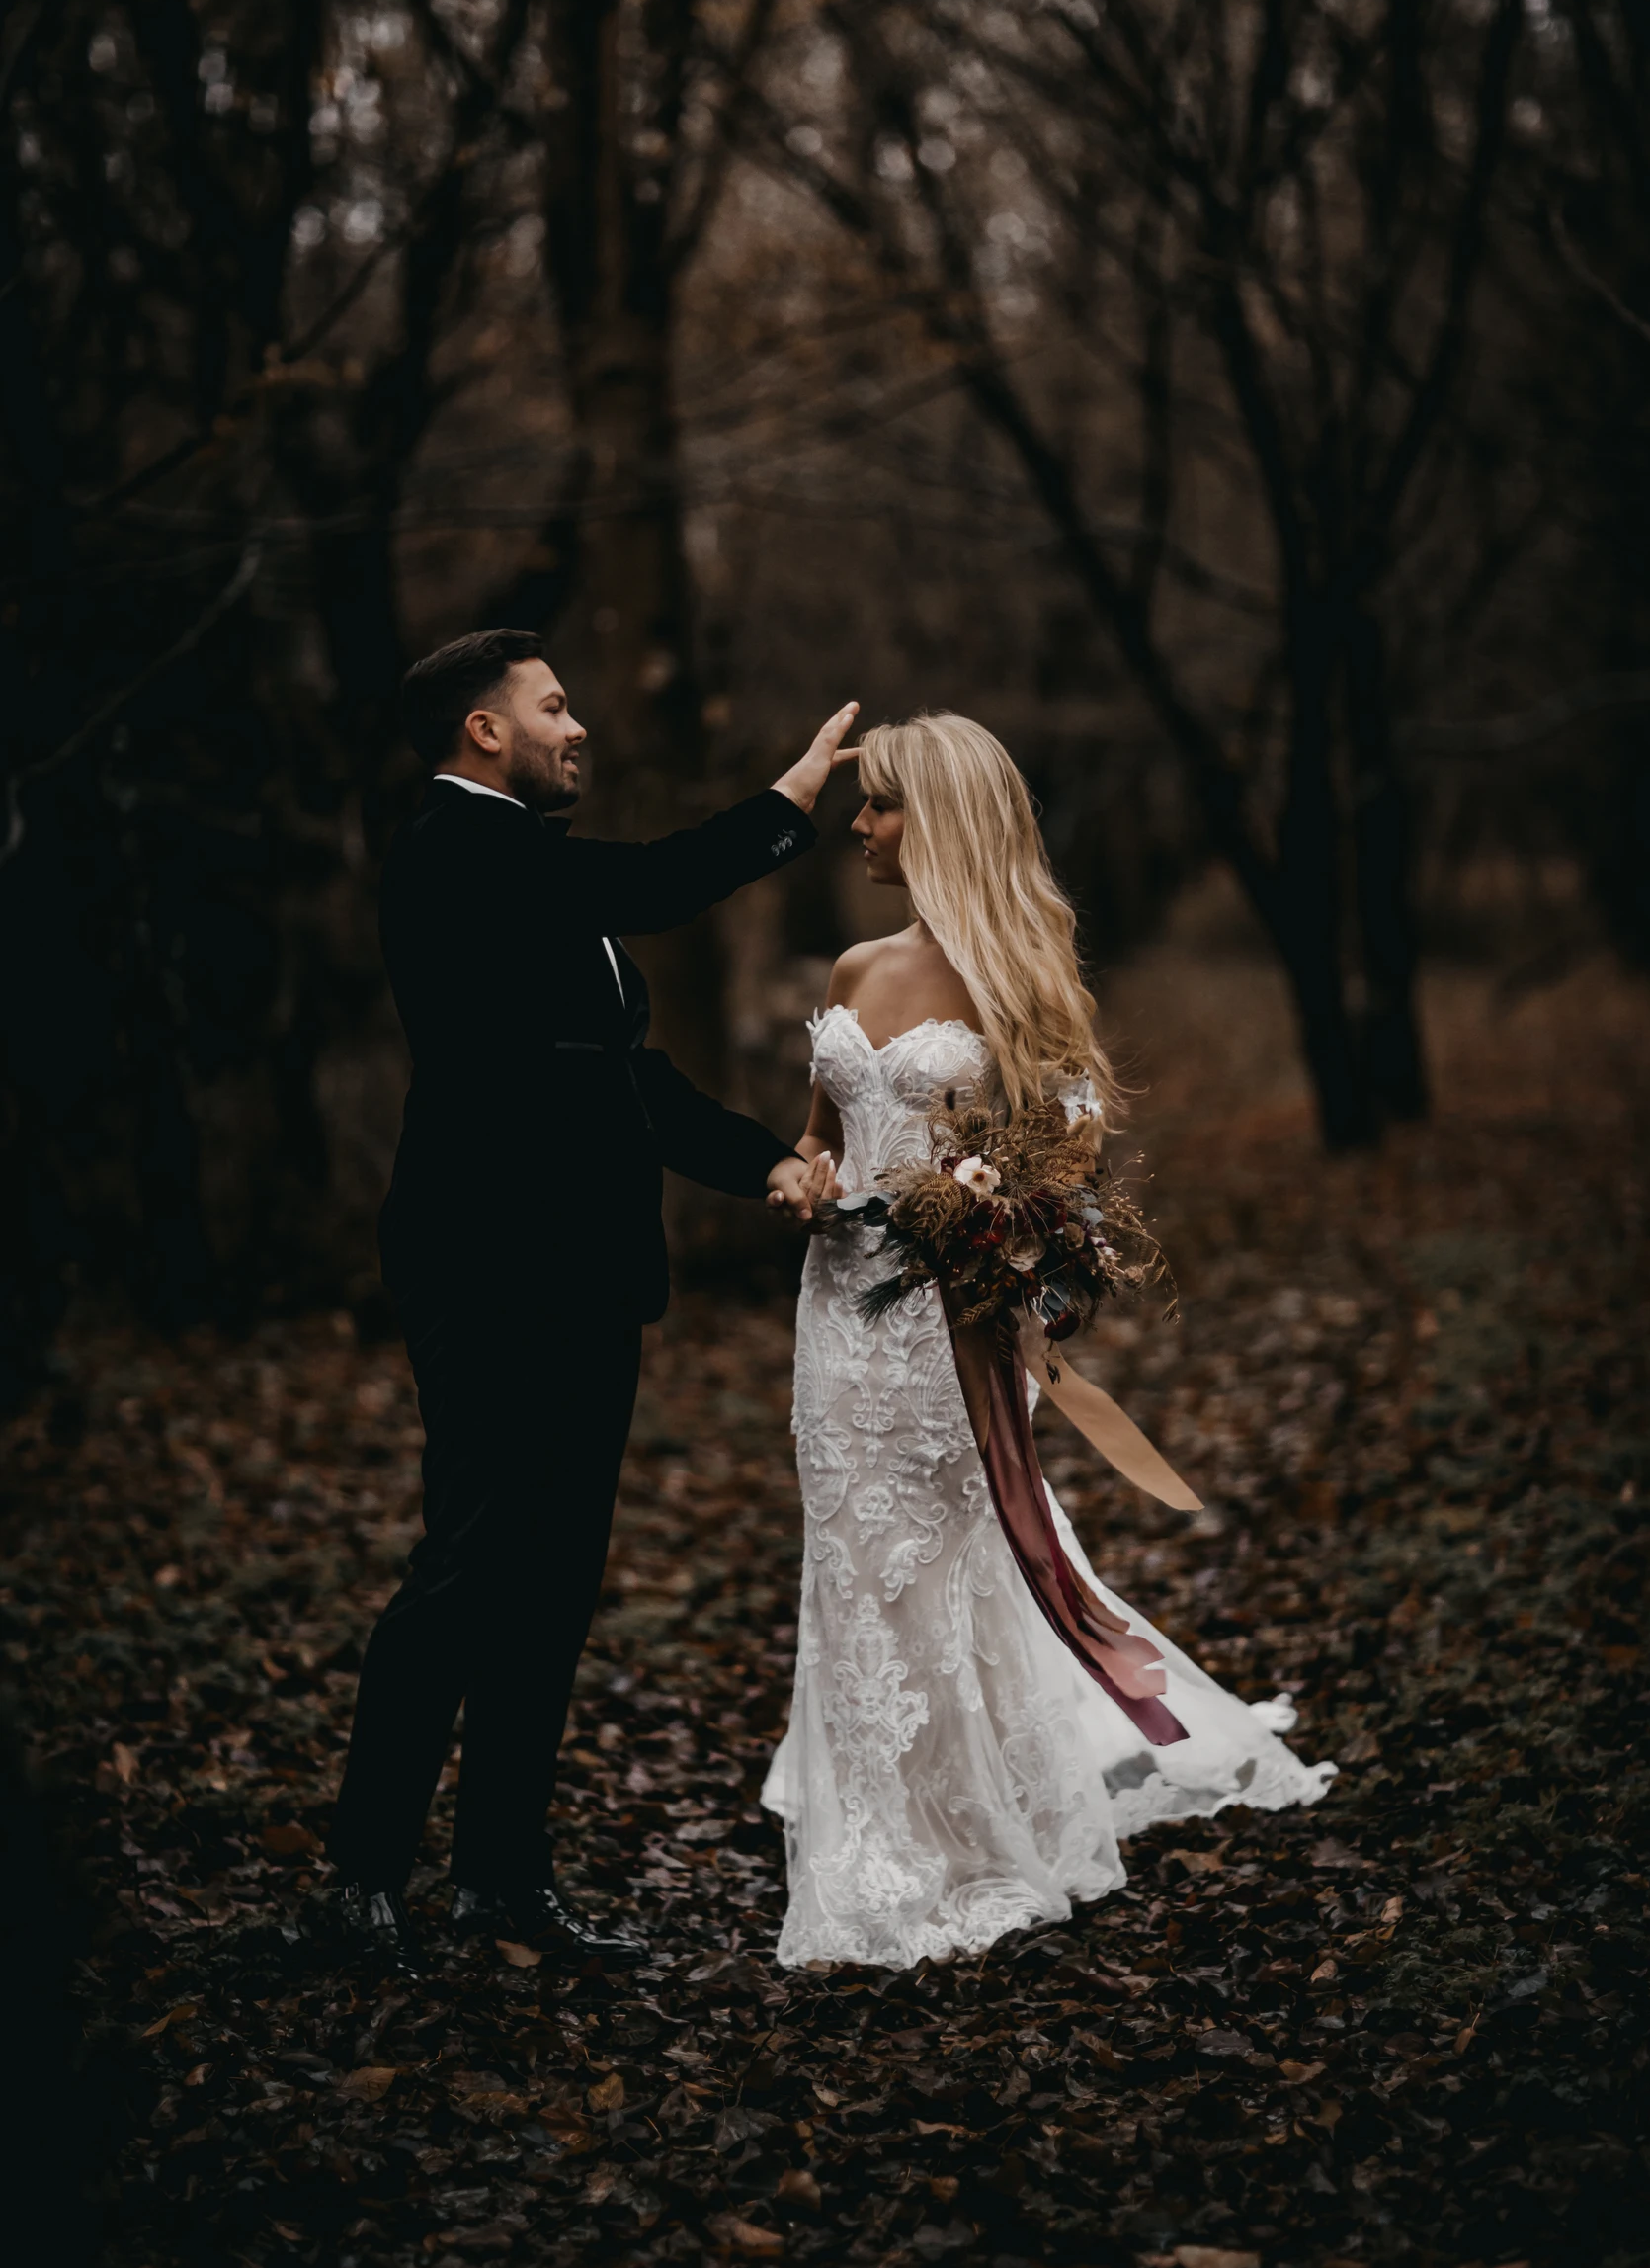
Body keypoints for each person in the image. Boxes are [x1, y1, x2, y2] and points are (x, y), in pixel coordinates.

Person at [763, 713, 1335, 1969]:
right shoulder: (853, 967)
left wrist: (991, 1227)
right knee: (855, 1571)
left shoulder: (1022, 987)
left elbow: (1060, 1182)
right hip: (837, 1325)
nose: (856, 826)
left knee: (952, 1564)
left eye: (881, 806)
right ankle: (877, 1838)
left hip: (943, 1332)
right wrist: (802, 1176)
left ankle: (979, 1827)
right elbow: (817, 1134)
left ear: (945, 818)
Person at [326, 630, 856, 1974]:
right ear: (481, 733)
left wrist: (772, 1163)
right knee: (466, 1564)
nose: (581, 729)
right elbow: (667, 880)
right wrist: (790, 807)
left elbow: (632, 1085)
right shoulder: (455, 847)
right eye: (553, 706)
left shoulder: (550, 900)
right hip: (485, 1267)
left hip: (587, 1276)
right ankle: (361, 1878)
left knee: (553, 1582)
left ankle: (501, 1879)